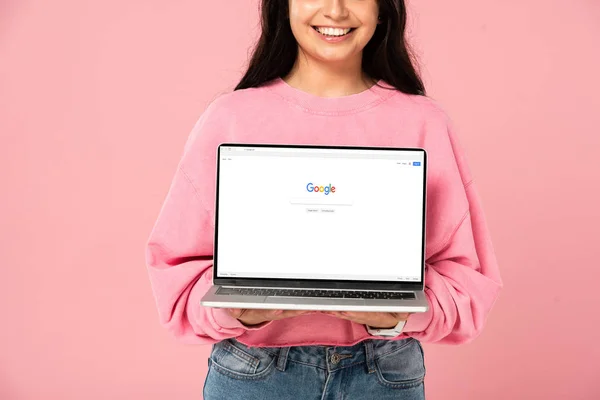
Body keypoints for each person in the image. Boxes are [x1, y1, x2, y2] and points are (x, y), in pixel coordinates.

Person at [145, 0, 503, 398]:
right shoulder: (229, 117)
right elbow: (175, 273)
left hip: (385, 373)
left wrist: (400, 313)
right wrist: (234, 310)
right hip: (252, 374)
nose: (335, 10)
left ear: (384, 8)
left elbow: (468, 282)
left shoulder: (425, 122)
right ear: (283, 6)